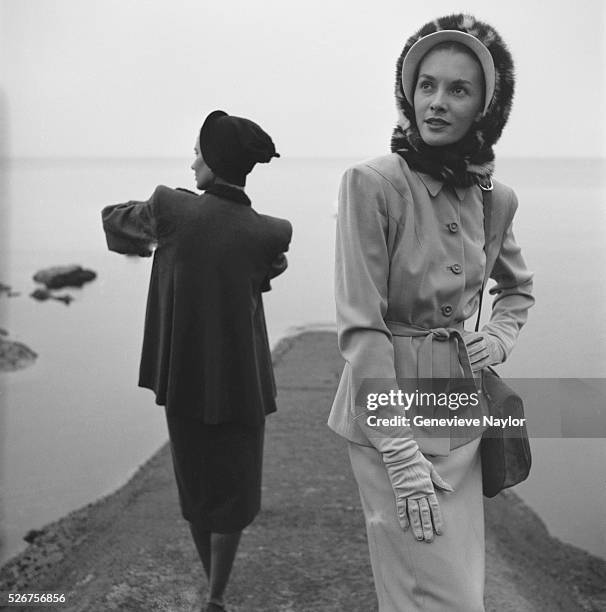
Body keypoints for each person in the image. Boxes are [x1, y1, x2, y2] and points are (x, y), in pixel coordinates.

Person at [328, 14, 534, 612]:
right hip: (392, 422)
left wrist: (496, 339)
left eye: (458, 90)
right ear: (407, 91)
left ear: (485, 110)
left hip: (462, 414)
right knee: (431, 599)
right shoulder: (370, 184)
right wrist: (399, 452)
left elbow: (518, 290)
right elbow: (361, 328)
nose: (436, 102)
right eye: (426, 85)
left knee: (461, 592)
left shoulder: (496, 197)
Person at [101, 110, 292, 612]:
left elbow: (115, 221)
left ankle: (213, 598)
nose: (191, 163)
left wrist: (155, 243)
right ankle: (215, 595)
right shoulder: (272, 232)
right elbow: (266, 271)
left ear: (212, 160)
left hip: (184, 375)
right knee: (234, 493)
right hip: (243, 381)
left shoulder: (171, 210)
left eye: (196, 153)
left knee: (196, 490)